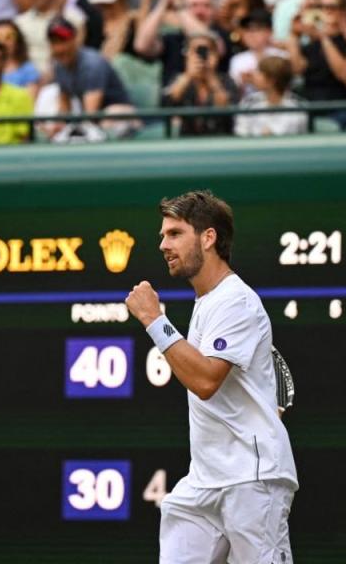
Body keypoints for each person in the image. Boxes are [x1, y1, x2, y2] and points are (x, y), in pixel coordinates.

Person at [124, 189, 298, 564]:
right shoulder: (207, 304)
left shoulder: (236, 301)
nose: (163, 245)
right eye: (162, 236)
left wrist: (154, 319)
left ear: (208, 237)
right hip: (204, 481)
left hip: (252, 480)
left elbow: (205, 381)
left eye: (174, 234)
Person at [160, 31, 240, 136]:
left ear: (216, 55)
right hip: (187, 141)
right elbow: (166, 106)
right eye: (196, 51)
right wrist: (188, 76)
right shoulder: (179, 80)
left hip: (220, 139)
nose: (202, 56)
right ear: (187, 54)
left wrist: (211, 78)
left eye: (208, 51)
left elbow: (228, 110)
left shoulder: (226, 80)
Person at [235, 55, 307, 136]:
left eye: (259, 73)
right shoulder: (248, 103)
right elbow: (241, 133)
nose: (254, 76)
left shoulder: (298, 105)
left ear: (272, 80)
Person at [0, 19, 42, 97]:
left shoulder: (28, 70)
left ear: (18, 41)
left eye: (9, 37)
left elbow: (29, 101)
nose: (2, 42)